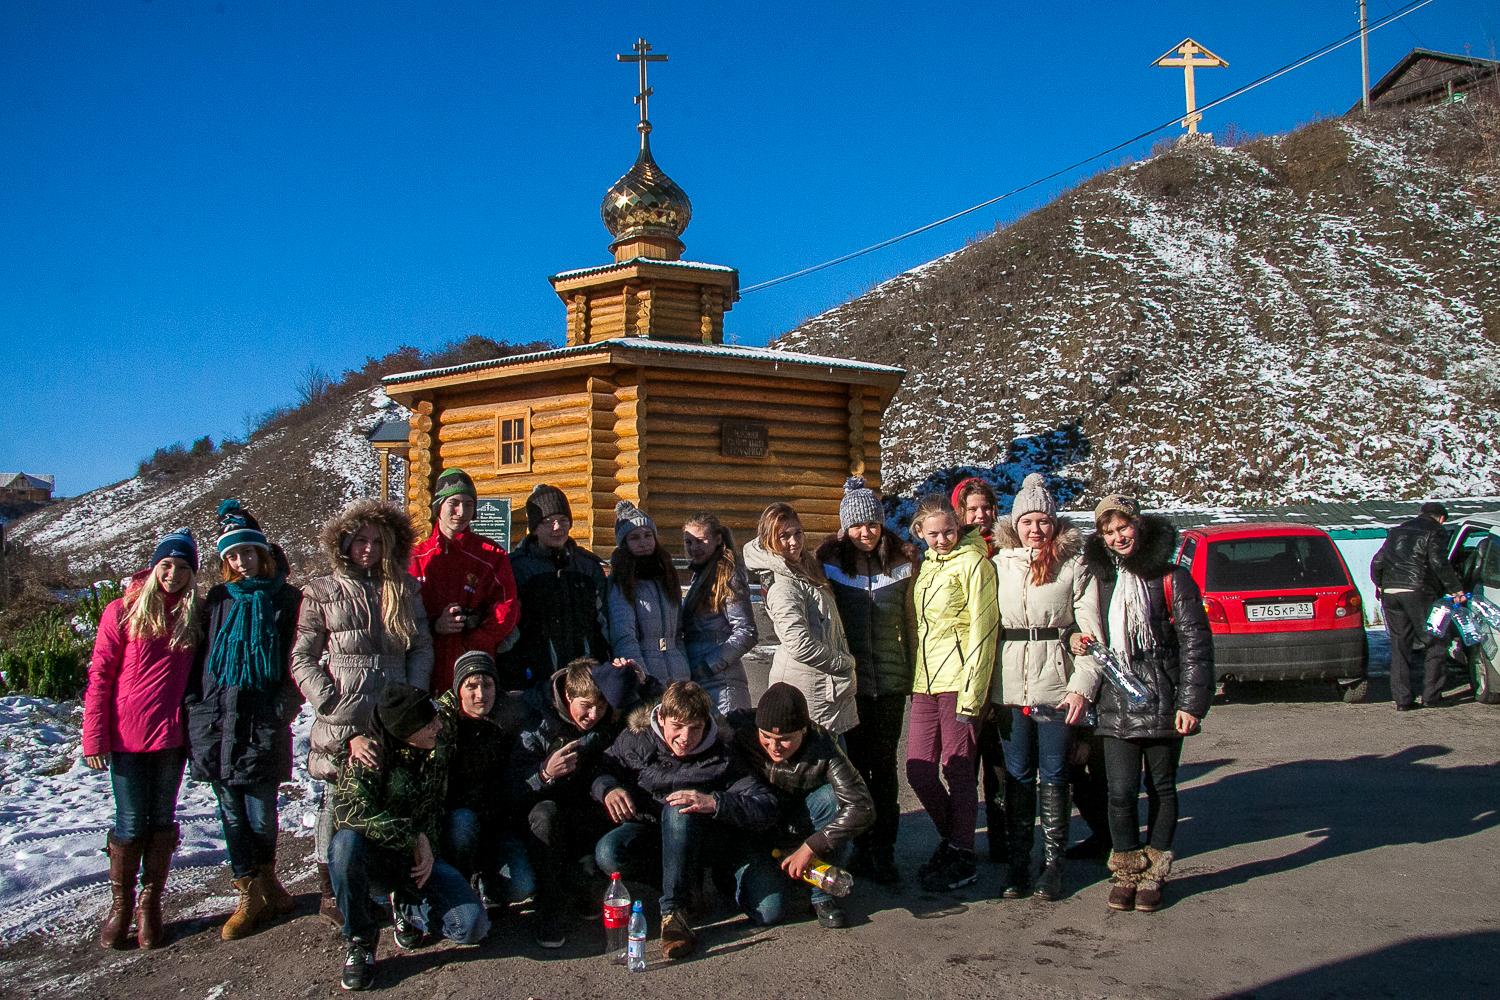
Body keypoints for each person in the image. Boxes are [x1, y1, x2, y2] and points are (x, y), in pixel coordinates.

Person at [292, 499, 434, 927]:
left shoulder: (405, 589)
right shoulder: (322, 591)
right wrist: (328, 702)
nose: (368, 549)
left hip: (393, 712)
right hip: (345, 712)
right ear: (344, 543)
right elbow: (302, 657)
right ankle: (329, 891)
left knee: (391, 794)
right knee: (336, 797)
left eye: (378, 541)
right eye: (360, 540)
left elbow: (421, 646)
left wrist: (412, 697)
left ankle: (386, 883)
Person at [1082, 495, 1214, 912]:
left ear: (1138, 525)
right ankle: (1126, 870)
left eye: (1123, 527)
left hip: (1162, 698)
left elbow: (1196, 645)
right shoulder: (1098, 580)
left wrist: (1191, 704)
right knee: (1120, 792)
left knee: (1161, 788)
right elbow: (1080, 623)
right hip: (1115, 697)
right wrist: (1073, 638)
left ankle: (1154, 872)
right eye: (1108, 531)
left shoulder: (1173, 578)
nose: (1118, 537)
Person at [592, 681, 777, 961]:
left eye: (695, 728)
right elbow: (600, 767)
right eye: (677, 726)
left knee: (770, 910)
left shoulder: (723, 754)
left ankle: (689, 900)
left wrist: (715, 802)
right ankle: (680, 900)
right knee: (609, 852)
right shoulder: (636, 738)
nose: (685, 738)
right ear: (661, 718)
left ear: (706, 724)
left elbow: (765, 805)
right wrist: (608, 788)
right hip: (650, 831)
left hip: (703, 839)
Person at [185, 500, 303, 940]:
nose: (241, 562)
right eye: (232, 556)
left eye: (247, 552)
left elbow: (299, 658)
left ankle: (267, 880)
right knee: (230, 812)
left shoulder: (287, 599)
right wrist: (194, 704)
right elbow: (198, 656)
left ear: (262, 553)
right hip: (216, 719)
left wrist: (284, 706)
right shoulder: (218, 600)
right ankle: (249, 893)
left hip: (261, 718)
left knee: (262, 812)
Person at [83, 528, 202, 950]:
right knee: (131, 821)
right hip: (126, 734)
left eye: (183, 567)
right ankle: (121, 906)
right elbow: (100, 675)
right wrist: (93, 736)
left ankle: (150, 904)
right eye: (166, 565)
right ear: (154, 568)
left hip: (171, 735)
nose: (173, 574)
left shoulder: (194, 614)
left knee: (162, 820)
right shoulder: (122, 610)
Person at [330, 684, 489, 991]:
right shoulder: (367, 758)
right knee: (344, 845)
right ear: (406, 731)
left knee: (472, 927)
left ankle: (408, 909)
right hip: (380, 862)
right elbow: (349, 813)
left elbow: (456, 693)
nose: (439, 726)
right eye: (430, 724)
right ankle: (361, 941)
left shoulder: (436, 736)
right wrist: (413, 838)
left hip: (426, 862)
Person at [991, 473, 1104, 902]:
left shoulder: (1074, 566)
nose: (1035, 529)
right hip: (1009, 688)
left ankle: (1053, 864)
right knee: (1017, 775)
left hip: (1057, 686)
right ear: (1015, 525)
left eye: (1042, 521)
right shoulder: (999, 565)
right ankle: (1018, 864)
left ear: (1054, 524)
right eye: (1027, 521)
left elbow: (1090, 635)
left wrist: (1082, 687)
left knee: (1055, 775)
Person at [816, 477, 916, 885]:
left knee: (884, 767)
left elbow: (914, 622)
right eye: (857, 525)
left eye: (872, 524)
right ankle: (860, 845)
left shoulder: (905, 562)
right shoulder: (830, 564)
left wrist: (915, 674)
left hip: (890, 682)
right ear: (845, 528)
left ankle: (884, 851)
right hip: (851, 684)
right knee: (853, 769)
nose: (866, 533)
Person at [509, 657, 636, 948]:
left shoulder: (606, 722)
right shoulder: (537, 724)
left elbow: (644, 705)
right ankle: (548, 911)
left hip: (581, 814)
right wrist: (544, 774)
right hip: (542, 821)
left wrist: (634, 675)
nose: (593, 715)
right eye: (586, 706)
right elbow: (513, 789)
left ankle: (580, 887)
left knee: (589, 886)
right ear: (568, 696)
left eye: (601, 706)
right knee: (546, 814)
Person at [907, 494, 998, 893]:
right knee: (918, 770)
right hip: (925, 682)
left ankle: (961, 852)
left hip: (959, 681)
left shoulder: (975, 563)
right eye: (934, 534)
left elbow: (984, 629)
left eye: (949, 532)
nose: (942, 540)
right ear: (919, 533)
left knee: (958, 769)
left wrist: (973, 694)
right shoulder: (926, 566)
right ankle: (956, 839)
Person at [730, 683, 874, 929]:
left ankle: (822, 895)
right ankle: (742, 877)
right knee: (769, 913)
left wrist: (811, 847)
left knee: (831, 799)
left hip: (799, 822)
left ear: (803, 730)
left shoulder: (824, 745)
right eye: (766, 737)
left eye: (785, 739)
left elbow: (862, 807)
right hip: (756, 830)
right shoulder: (738, 728)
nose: (774, 747)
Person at [743, 502, 859, 736]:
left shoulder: (799, 567)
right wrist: (844, 662)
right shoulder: (783, 584)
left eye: (798, 533)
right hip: (810, 688)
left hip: (820, 685)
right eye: (784, 536)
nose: (794, 542)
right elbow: (799, 644)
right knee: (818, 753)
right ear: (768, 539)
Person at [434, 650, 533, 921]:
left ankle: (490, 888)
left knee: (523, 885)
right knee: (462, 823)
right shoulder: (444, 726)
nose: (481, 694)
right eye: (472, 686)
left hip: (499, 825)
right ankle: (460, 890)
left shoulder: (509, 717)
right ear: (459, 690)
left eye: (487, 685)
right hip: (459, 826)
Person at [949, 476, 1017, 863]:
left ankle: (1003, 841)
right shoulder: (949, 552)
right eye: (972, 509)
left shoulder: (1009, 551)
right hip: (961, 672)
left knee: (999, 764)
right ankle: (961, 841)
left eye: (986, 508)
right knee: (962, 765)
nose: (980, 515)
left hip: (1003, 668)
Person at [408, 468, 520, 693]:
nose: (461, 512)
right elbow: (402, 614)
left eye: (469, 505)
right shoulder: (416, 558)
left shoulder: (491, 555)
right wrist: (434, 625)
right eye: (454, 503)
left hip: (474, 672)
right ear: (439, 506)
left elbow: (507, 607)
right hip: (427, 669)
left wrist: (475, 641)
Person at [503, 484, 610, 689]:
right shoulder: (517, 568)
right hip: (536, 678)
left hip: (587, 678)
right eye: (548, 522)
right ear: (534, 528)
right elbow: (510, 630)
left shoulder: (588, 567)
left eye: (563, 520)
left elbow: (603, 624)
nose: (557, 527)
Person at [1371, 501, 1466, 710]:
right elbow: (1439, 562)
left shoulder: (1397, 531)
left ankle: (1403, 700)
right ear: (1442, 518)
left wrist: (1380, 584)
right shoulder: (1436, 531)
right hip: (1418, 591)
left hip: (1390, 593)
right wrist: (1456, 589)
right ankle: (1432, 696)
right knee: (1436, 640)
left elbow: (1377, 561)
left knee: (1400, 645)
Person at [607, 501, 691, 686]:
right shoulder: (621, 583)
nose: (643, 542)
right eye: (634, 538)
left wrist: (684, 671)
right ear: (625, 544)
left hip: (678, 674)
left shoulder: (666, 576)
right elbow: (624, 639)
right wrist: (644, 680)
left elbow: (677, 635)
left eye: (647, 535)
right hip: (648, 675)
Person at [681, 511, 757, 714]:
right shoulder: (701, 575)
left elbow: (747, 632)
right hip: (702, 681)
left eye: (701, 541)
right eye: (689, 542)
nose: (694, 548)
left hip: (723, 684)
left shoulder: (728, 576)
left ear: (717, 539)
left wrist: (708, 666)